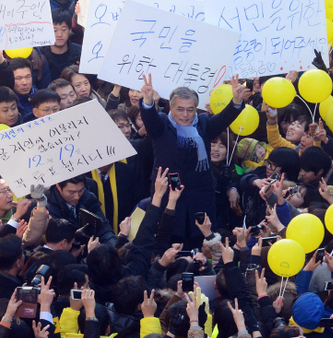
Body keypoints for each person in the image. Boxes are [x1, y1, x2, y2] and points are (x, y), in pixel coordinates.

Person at [139, 74, 245, 247]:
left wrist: (235, 101)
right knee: (169, 244)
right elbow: (149, 119)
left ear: (196, 108)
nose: (186, 114)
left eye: (190, 109)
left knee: (201, 244)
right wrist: (148, 101)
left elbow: (224, 118)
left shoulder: (203, 124)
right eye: (180, 109)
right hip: (168, 196)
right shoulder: (161, 125)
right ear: (171, 108)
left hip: (200, 197)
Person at [45, 175, 117, 245]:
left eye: (80, 190)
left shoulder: (89, 196)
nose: (77, 197)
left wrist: (114, 247)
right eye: (71, 192)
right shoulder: (49, 205)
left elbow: (103, 228)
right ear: (58, 187)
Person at [41, 10, 82, 81]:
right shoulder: (40, 56)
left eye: (63, 30)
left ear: (70, 30)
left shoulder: (80, 52)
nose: (59, 35)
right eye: (55, 30)